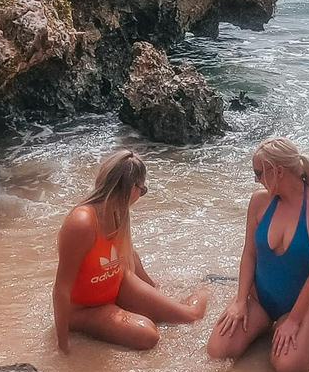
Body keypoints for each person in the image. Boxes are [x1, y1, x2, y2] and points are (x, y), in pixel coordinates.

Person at [207, 137, 309, 372]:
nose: (256, 179)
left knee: (287, 368)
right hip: (260, 300)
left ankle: (304, 333)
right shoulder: (259, 201)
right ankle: (266, 325)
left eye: (258, 173)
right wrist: (240, 301)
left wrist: (294, 320)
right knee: (218, 351)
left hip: (305, 306)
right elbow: (249, 253)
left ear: (278, 171)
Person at [53, 150, 208, 352]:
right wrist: (62, 346)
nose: (140, 196)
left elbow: (127, 253)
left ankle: (208, 286)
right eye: (142, 190)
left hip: (118, 284)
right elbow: (61, 288)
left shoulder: (118, 211)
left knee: (191, 316)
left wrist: (152, 286)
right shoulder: (83, 222)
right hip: (85, 308)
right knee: (148, 335)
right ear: (130, 188)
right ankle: (91, 321)